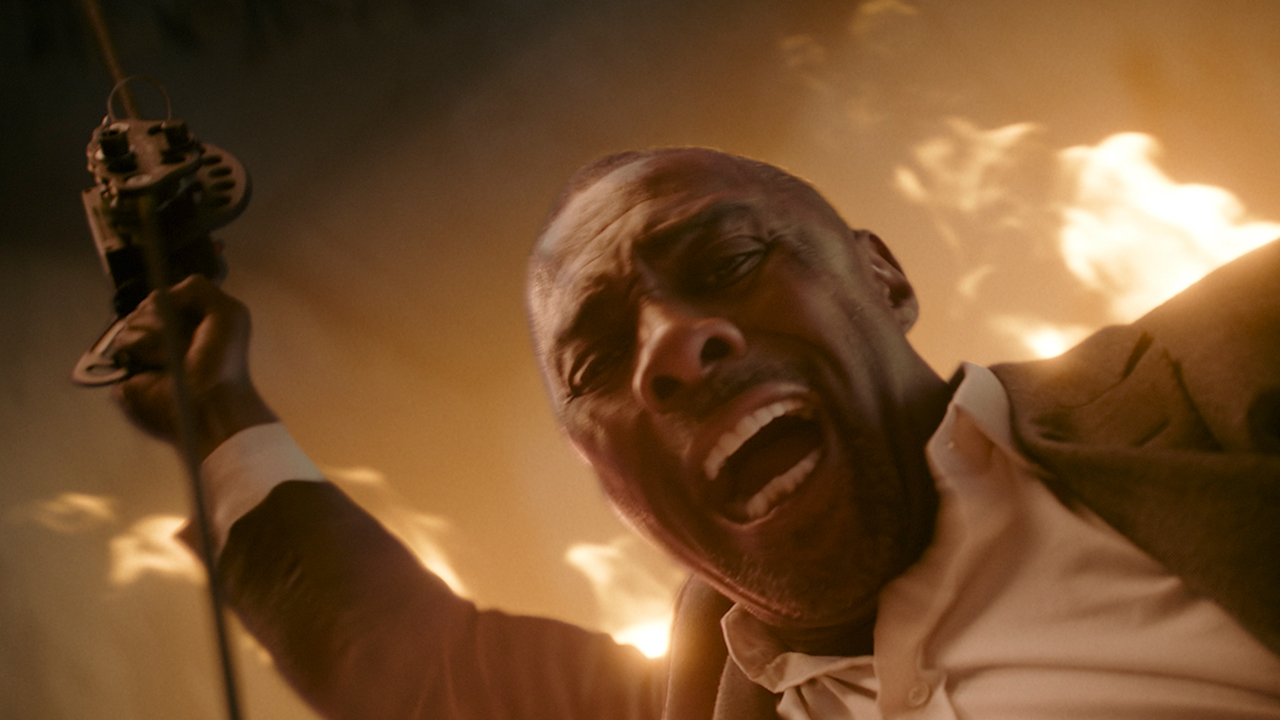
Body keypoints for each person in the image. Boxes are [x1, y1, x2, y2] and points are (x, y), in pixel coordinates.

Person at [112, 147, 1280, 719]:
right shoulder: (686, 706)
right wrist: (215, 411)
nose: (672, 345)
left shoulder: (1222, 375)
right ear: (602, 472)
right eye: (594, 364)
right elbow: (397, 660)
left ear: (879, 276)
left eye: (724, 260)